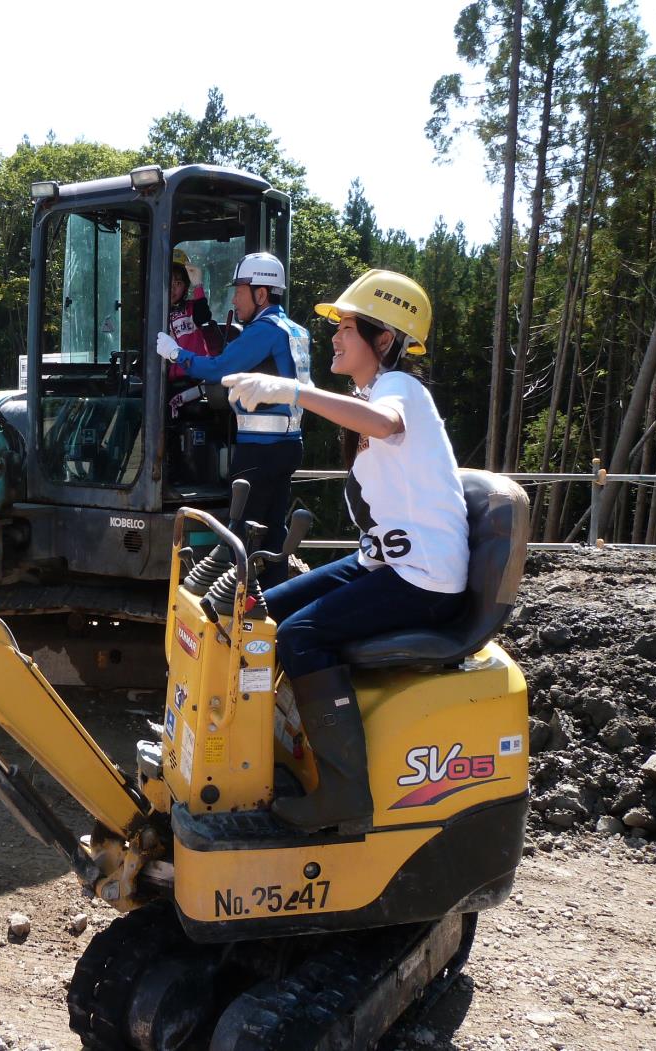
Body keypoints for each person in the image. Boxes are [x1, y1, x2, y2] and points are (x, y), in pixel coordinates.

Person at [220, 269, 468, 835]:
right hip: (388, 563)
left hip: (424, 578)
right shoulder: (369, 393)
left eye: (348, 327)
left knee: (301, 636)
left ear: (384, 341)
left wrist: (294, 392)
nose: (334, 336)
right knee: (261, 610)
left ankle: (345, 795)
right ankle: (264, 749)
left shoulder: (400, 389)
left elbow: (383, 423)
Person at [155, 251, 309, 590]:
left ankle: (237, 612)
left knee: (242, 534)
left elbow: (219, 368)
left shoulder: (263, 332)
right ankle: (273, 601)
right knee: (273, 530)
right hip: (288, 446)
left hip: (259, 450)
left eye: (239, 291)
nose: (234, 299)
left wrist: (175, 353)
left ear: (261, 294)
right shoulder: (295, 331)